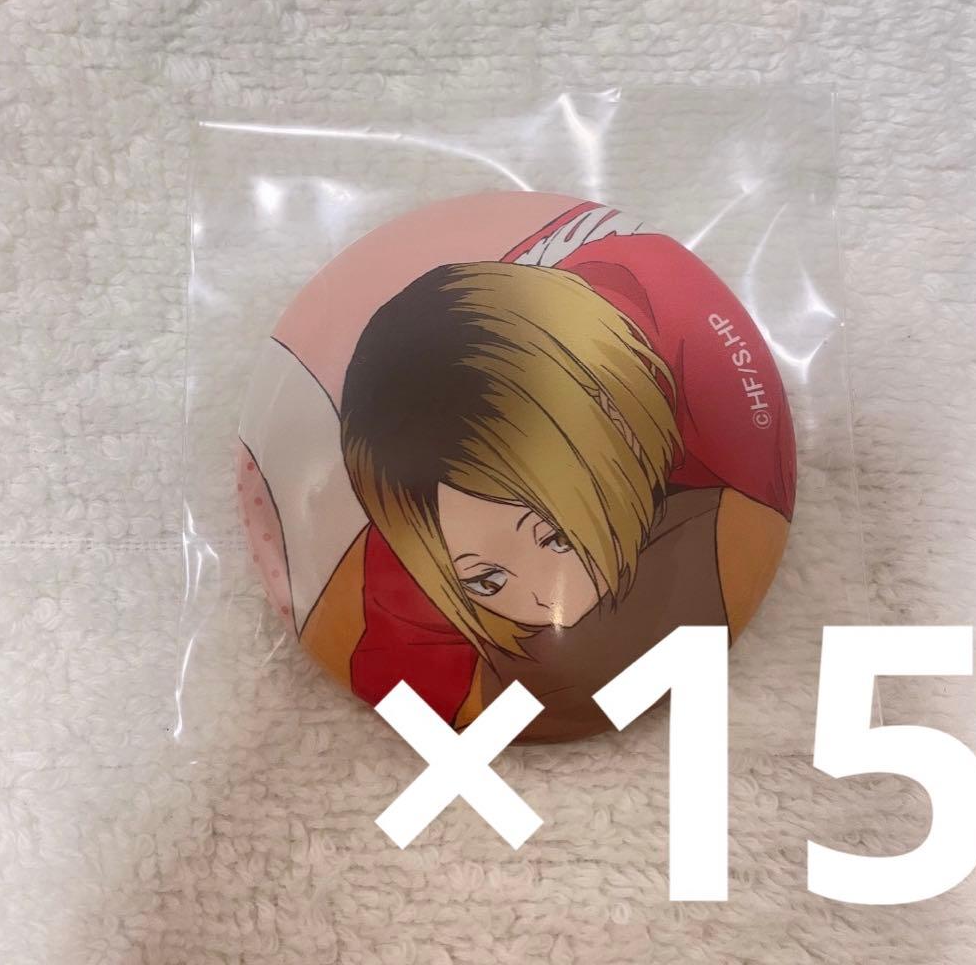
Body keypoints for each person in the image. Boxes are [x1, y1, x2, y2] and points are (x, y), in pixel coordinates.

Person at [300, 203, 795, 741]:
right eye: (487, 580)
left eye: (558, 537)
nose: (545, 598)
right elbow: (395, 675)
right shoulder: (415, 537)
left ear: (621, 427)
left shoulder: (720, 476)